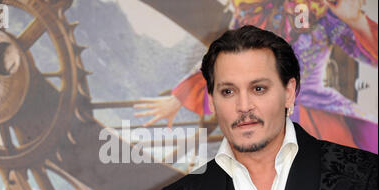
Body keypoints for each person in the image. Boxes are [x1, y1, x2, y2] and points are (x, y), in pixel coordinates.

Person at [153, 25, 377, 190]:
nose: (244, 105)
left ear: (289, 92)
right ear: (211, 101)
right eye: (228, 92)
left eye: (258, 88)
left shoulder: (363, 176)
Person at [135, 0, 378, 154]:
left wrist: (355, 20)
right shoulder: (246, 15)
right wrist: (179, 98)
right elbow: (223, 62)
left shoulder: (316, 11)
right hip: (263, 120)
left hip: (317, 117)